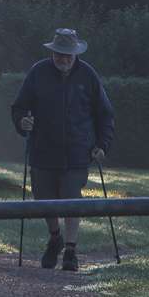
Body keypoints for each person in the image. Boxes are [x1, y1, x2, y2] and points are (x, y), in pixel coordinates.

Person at [11, 27, 114, 272]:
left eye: (68, 54)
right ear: (52, 52)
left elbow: (105, 114)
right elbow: (19, 107)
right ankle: (55, 237)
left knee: (71, 198)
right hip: (42, 150)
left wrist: (102, 144)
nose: (64, 59)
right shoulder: (38, 72)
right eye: (59, 53)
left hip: (78, 152)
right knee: (44, 200)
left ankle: (70, 249)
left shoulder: (88, 75)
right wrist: (22, 122)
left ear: (76, 53)